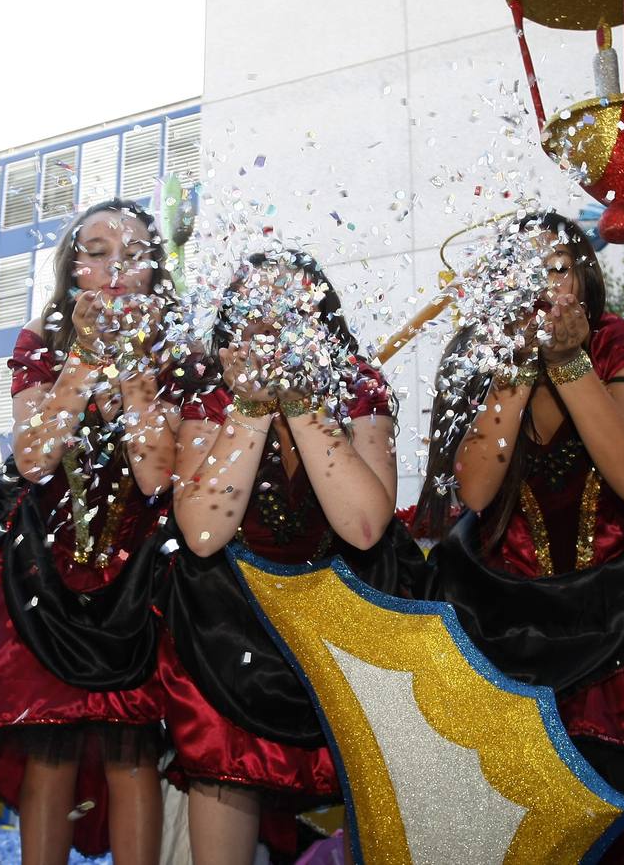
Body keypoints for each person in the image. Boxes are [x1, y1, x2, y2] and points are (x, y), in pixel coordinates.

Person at [422, 212, 624, 865]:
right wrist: (513, 365)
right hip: (517, 613)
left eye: (555, 268)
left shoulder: (619, 341)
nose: (542, 286)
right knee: (536, 799)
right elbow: (473, 494)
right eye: (524, 273)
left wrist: (568, 363)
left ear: (582, 278)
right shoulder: (488, 357)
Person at [0, 199, 180, 865]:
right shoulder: (40, 340)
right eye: (95, 250)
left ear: (155, 269)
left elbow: (157, 478)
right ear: (72, 266)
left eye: (132, 251)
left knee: (133, 748)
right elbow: (35, 459)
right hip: (47, 564)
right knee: (50, 745)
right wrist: (84, 359)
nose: (114, 266)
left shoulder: (177, 345)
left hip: (140, 568)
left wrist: (132, 370)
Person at [164, 248, 420, 865]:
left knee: (378, 802)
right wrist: (250, 407)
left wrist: (301, 402)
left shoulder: (356, 383)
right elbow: (201, 532)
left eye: (289, 300)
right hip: (232, 624)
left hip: (353, 616)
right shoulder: (212, 394)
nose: (271, 315)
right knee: (223, 769)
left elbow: (363, 525)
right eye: (254, 301)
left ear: (318, 315)